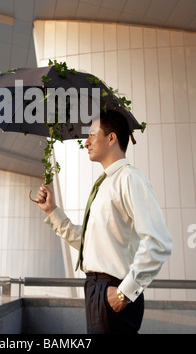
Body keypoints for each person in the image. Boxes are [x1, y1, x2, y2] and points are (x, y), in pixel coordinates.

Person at [35, 110, 172, 334]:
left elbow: (159, 242)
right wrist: (52, 211)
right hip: (96, 290)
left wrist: (125, 292)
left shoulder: (130, 178)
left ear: (111, 138)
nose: (86, 142)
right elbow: (91, 244)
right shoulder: (104, 184)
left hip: (114, 290)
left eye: (91, 135)